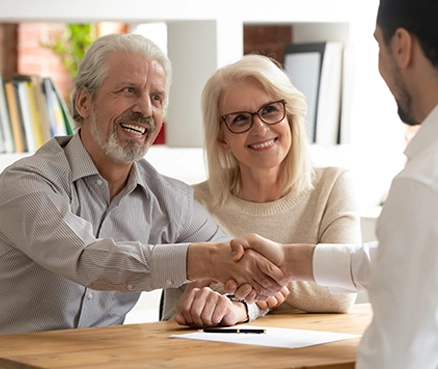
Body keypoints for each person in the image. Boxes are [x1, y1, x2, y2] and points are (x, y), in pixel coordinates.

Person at [0, 33, 289, 335]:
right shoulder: (27, 183)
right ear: (85, 102)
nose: (145, 109)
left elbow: (245, 276)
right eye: (129, 90)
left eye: (156, 98)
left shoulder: (170, 200)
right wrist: (203, 260)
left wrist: (237, 304)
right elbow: (88, 260)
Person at [230, 0, 438, 367]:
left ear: (402, 46)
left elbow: (395, 357)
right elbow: (390, 261)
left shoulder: (422, 183)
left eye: (378, 45)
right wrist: (290, 260)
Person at [161, 54, 362, 326]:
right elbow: (176, 312)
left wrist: (243, 293)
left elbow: (340, 292)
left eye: (269, 110)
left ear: (290, 115)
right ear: (222, 137)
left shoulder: (333, 186)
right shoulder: (190, 204)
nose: (260, 128)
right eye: (241, 119)